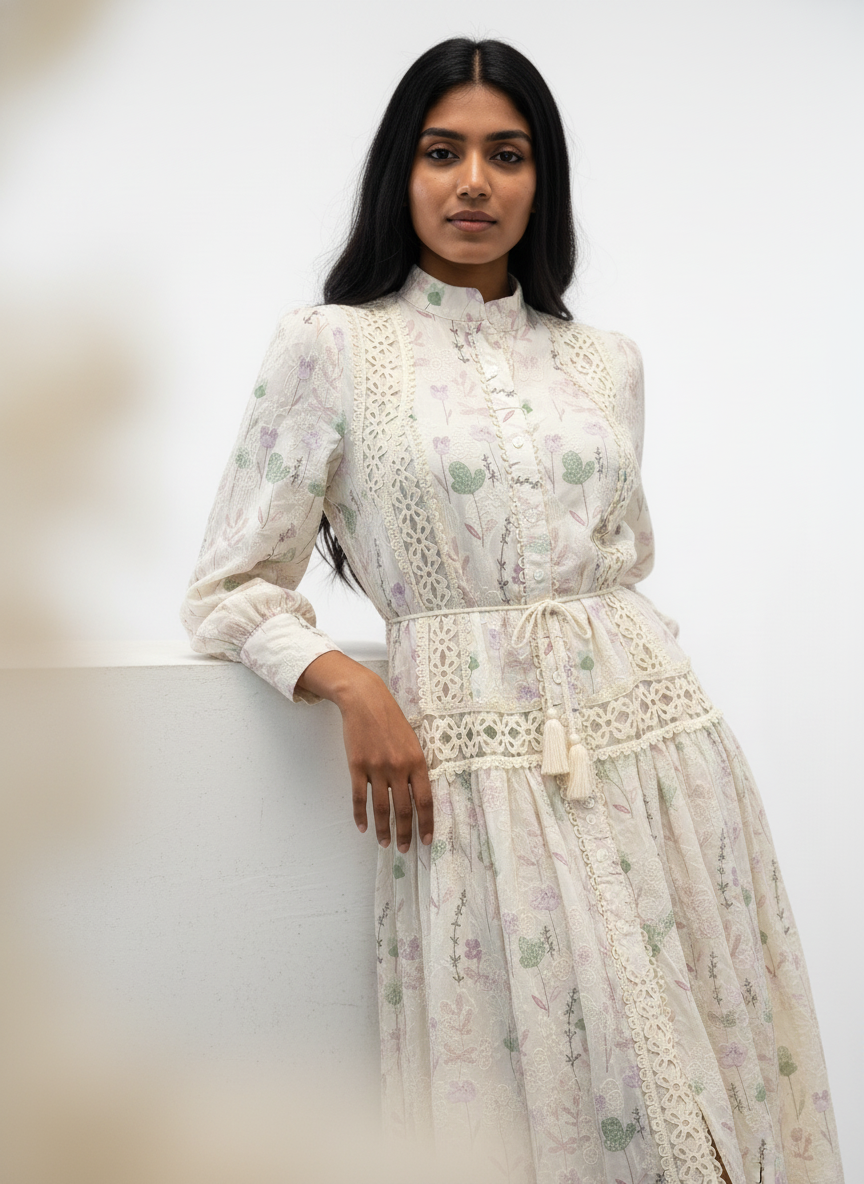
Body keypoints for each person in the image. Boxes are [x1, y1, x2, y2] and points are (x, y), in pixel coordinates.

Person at [181, 37, 843, 1184]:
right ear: (403, 171)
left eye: (507, 153)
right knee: (564, 1100)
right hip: (475, 785)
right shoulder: (330, 347)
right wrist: (350, 679)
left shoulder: (606, 363)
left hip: (663, 759)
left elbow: (620, 561)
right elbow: (229, 584)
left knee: (719, 1082)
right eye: (443, 152)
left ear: (545, 181)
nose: (474, 182)